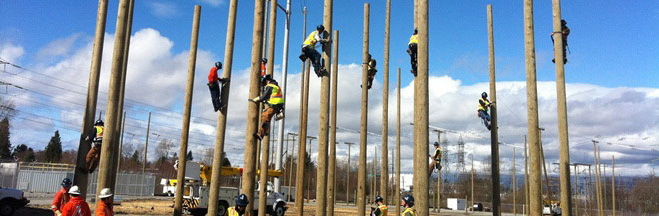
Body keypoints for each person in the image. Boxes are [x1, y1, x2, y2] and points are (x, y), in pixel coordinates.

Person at [250, 75, 285, 141]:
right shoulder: (276, 86)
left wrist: (257, 99)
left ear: (267, 81)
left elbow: (264, 96)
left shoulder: (270, 86)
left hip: (274, 105)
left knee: (265, 117)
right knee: (266, 117)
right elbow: (271, 97)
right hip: (278, 106)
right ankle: (265, 131)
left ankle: (261, 134)